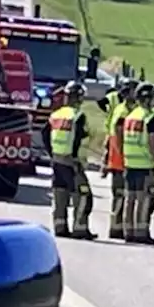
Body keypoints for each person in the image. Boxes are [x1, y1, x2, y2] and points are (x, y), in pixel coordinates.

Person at [120, 83, 154, 244]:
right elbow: (153, 144)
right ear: (149, 99)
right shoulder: (149, 118)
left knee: (130, 199)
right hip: (145, 164)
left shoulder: (131, 116)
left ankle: (128, 231)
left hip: (129, 163)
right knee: (143, 199)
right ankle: (141, 232)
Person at [44, 81, 95, 240]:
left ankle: (60, 227)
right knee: (83, 195)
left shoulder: (56, 114)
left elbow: (44, 133)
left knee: (60, 193)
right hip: (72, 162)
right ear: (79, 98)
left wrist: (52, 153)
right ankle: (80, 228)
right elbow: (78, 139)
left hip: (57, 161)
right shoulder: (78, 116)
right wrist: (75, 158)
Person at [102, 79, 138, 239]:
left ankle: (118, 227)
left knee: (121, 196)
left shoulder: (122, 110)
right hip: (121, 162)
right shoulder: (124, 112)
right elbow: (117, 135)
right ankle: (117, 228)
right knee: (121, 196)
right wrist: (124, 156)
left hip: (119, 160)